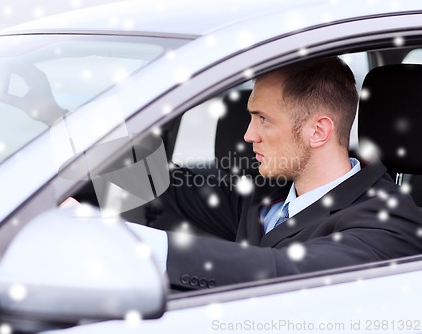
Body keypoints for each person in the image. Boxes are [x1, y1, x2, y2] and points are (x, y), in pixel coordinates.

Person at [128, 57, 422, 290]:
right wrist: (100, 153)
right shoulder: (268, 193)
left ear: (318, 131)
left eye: (264, 119)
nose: (247, 135)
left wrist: (133, 247)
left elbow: (285, 269)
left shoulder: (389, 224)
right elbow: (169, 188)